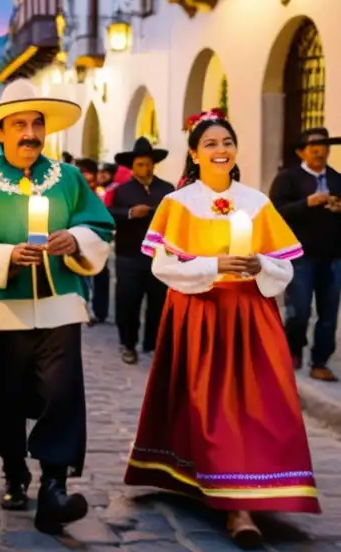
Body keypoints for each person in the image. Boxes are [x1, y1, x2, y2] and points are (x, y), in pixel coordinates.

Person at [125, 110, 320, 547]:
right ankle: (231, 501)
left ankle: (252, 492)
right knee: (211, 406)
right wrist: (213, 266)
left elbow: (284, 265)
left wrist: (260, 263)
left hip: (252, 316)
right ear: (194, 154)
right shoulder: (178, 204)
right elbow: (162, 265)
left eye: (226, 142)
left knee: (261, 404)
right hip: (201, 314)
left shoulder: (256, 202)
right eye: (210, 144)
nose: (220, 150)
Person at [0, 79, 114, 535]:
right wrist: (6, 256)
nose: (30, 133)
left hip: (60, 306)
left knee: (61, 395)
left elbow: (99, 224)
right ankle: (14, 471)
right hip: (2, 308)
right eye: (19, 123)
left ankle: (54, 488)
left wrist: (74, 238)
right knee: (6, 397)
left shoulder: (69, 178)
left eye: (37, 123)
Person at [270, 127, 341, 381]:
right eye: (314, 147)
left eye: (324, 147)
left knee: (329, 312)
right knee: (298, 310)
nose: (320, 151)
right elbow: (276, 212)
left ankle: (320, 361)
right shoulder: (288, 179)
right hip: (300, 256)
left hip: (333, 256)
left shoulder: (337, 179)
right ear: (302, 152)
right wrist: (307, 204)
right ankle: (293, 351)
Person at [109, 138, 175, 363]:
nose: (145, 169)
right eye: (140, 165)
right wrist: (129, 213)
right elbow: (110, 215)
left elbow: (176, 218)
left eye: (148, 164)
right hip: (129, 256)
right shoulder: (122, 191)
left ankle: (153, 344)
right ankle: (128, 344)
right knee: (128, 301)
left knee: (158, 302)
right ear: (132, 167)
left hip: (158, 256)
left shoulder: (166, 189)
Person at [75, 158, 109, 324]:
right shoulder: (72, 196)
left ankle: (99, 311)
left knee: (100, 277)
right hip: (75, 243)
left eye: (89, 180)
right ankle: (83, 307)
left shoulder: (100, 195)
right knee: (82, 279)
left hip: (98, 242)